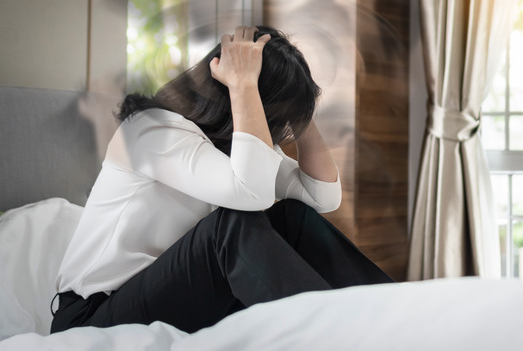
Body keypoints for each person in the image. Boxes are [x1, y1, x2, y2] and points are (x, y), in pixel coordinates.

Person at [51, 25, 393, 334]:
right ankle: (338, 337)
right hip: (93, 316)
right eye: (278, 115)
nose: (279, 128)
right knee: (230, 225)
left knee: (291, 216)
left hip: (171, 297)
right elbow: (250, 195)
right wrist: (244, 84)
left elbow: (321, 196)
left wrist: (302, 112)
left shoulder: (235, 152)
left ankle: (391, 319)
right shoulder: (149, 129)